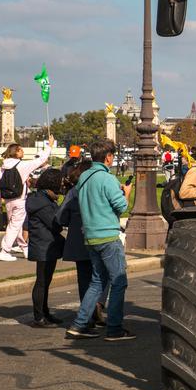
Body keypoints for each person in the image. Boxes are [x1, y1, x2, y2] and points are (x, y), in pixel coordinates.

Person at [66, 139, 134, 342]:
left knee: (97, 282)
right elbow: (121, 207)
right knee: (119, 281)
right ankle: (114, 328)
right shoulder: (107, 178)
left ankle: (79, 325)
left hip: (90, 236)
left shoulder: (84, 177)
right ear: (108, 157)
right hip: (108, 236)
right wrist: (127, 194)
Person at [57, 158, 106, 328]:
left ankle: (88, 315)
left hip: (78, 239)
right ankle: (97, 307)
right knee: (102, 276)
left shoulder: (73, 192)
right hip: (99, 236)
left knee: (84, 279)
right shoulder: (99, 187)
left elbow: (60, 217)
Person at [0, 137, 54, 261]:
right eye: (21, 150)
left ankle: (25, 248)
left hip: (8, 200)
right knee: (15, 226)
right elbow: (41, 160)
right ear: (16, 152)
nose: (23, 151)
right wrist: (50, 146)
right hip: (20, 199)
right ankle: (4, 251)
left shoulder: (3, 166)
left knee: (16, 225)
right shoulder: (22, 165)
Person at [24, 169, 66, 328]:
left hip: (46, 244)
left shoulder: (43, 198)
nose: (62, 184)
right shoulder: (42, 202)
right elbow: (56, 224)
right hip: (43, 245)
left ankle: (45, 312)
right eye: (60, 181)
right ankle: (39, 317)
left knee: (46, 281)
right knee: (42, 281)